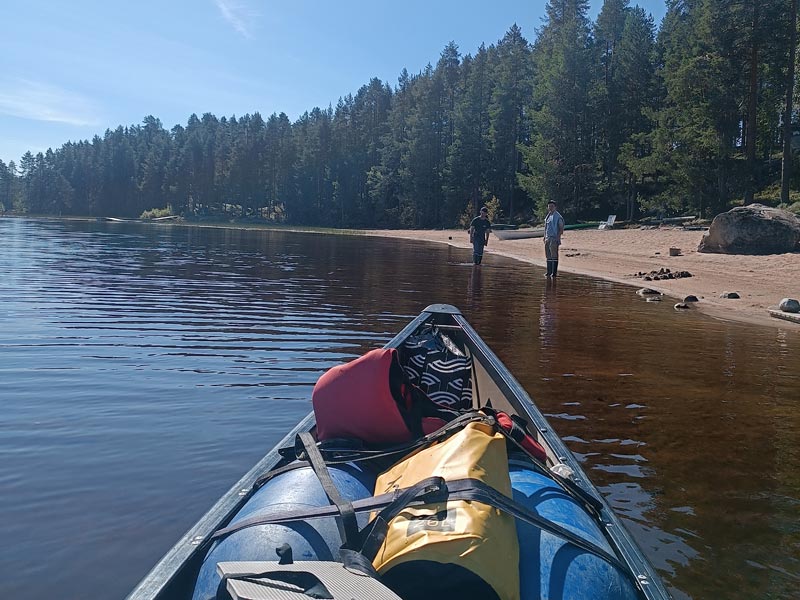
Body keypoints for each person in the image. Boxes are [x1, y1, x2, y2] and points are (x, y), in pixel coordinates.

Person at [543, 200, 564, 277]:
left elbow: (561, 228)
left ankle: (554, 273)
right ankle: (549, 272)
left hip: (554, 238)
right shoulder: (548, 216)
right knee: (548, 255)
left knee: (554, 255)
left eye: (552, 206)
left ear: (555, 207)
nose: (550, 208)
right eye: (549, 206)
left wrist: (558, 237)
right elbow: (546, 227)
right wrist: (544, 236)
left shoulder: (558, 216)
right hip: (547, 238)